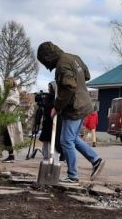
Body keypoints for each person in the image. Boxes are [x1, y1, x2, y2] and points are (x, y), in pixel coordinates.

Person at [37, 41, 106, 184]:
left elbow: (69, 88)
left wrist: (57, 106)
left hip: (75, 107)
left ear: (47, 57)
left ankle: (73, 175)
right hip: (84, 103)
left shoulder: (62, 65)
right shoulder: (74, 57)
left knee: (66, 141)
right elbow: (86, 75)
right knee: (72, 138)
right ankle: (96, 160)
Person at [0, 78, 23, 163]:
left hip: (11, 119)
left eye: (6, 83)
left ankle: (11, 156)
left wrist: (4, 99)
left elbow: (15, 101)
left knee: (9, 137)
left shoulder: (14, 92)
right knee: (0, 136)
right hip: (4, 117)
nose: (5, 84)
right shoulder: (7, 92)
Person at [39, 82, 64, 161]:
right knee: (46, 140)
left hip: (55, 122)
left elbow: (54, 108)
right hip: (47, 122)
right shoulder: (49, 97)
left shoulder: (58, 98)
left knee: (54, 139)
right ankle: (46, 156)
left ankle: (57, 155)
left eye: (51, 88)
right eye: (49, 87)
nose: (49, 89)